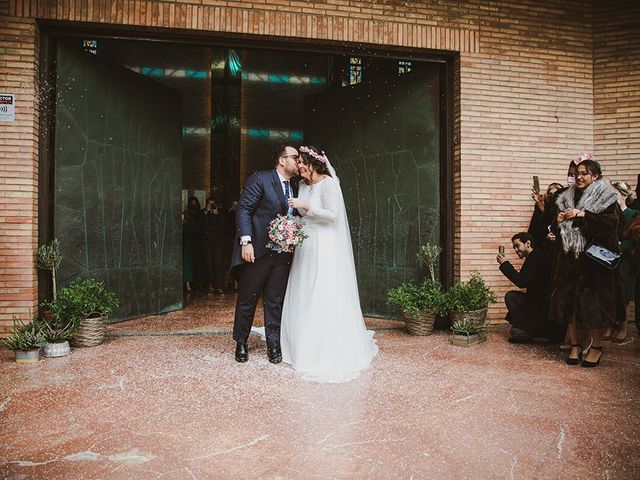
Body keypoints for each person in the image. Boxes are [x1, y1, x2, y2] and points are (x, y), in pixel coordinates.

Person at [282, 146, 378, 383]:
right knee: (302, 291)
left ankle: (323, 349)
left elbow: (333, 215)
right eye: (298, 163)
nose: (300, 167)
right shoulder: (302, 186)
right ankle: (298, 344)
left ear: (315, 163)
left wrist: (306, 207)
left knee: (320, 290)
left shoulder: (328, 184)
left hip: (323, 245)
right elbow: (301, 215)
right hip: (305, 244)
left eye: (303, 162)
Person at [549, 154, 625, 367]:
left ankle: (597, 347)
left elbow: (611, 227)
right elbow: (557, 230)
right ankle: (575, 345)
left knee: (594, 307)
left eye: (584, 174)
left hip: (594, 263)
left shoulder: (607, 197)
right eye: (576, 174)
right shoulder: (565, 197)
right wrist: (557, 220)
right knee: (571, 306)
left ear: (595, 176)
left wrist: (583, 215)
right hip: (569, 260)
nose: (579, 177)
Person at [230, 145, 300, 363]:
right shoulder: (260, 179)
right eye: (295, 158)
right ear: (282, 160)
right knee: (247, 298)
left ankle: (273, 345)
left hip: (282, 254)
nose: (298, 162)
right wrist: (246, 242)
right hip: (257, 251)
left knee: (274, 300)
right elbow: (244, 210)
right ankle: (241, 342)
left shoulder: (295, 188)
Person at [497, 232, 563, 343]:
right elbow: (522, 279)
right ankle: (525, 328)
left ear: (528, 243)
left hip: (541, 306)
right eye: (514, 248)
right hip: (535, 302)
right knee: (512, 298)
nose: (516, 250)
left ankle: (532, 331)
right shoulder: (533, 256)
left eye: (517, 246)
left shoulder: (537, 257)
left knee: (511, 299)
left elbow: (522, 282)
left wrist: (505, 264)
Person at [610, 181, 639, 342]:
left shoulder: (633, 214)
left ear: (623, 195)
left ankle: (623, 326)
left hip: (626, 260)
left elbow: (635, 236)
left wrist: (620, 247)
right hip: (608, 258)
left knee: (624, 295)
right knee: (610, 292)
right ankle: (609, 325)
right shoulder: (610, 213)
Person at [529, 182, 564, 258]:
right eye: (551, 195)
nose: (554, 197)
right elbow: (536, 230)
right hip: (546, 252)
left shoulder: (566, 208)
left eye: (556, 194)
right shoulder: (544, 207)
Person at [201, 198, 227, 294]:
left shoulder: (221, 213)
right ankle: (210, 285)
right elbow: (200, 226)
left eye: (213, 204)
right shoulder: (204, 213)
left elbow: (225, 226)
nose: (211, 206)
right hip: (207, 243)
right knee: (209, 265)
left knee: (219, 265)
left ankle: (219, 286)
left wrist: (217, 215)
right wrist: (206, 212)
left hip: (218, 243)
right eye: (209, 204)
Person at [182, 197, 203, 293]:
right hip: (189, 241)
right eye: (192, 203)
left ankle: (198, 283)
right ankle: (188, 284)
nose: (193, 205)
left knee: (199, 263)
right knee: (188, 262)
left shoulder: (201, 214)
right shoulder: (186, 215)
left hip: (199, 242)